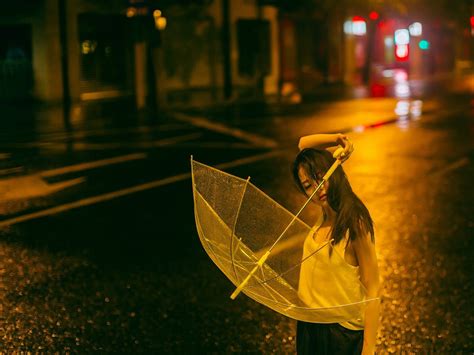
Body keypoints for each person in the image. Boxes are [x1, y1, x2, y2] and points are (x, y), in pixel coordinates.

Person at [293, 133, 381, 355]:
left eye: (320, 177)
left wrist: (368, 349)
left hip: (339, 333)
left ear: (333, 172)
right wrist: (333, 138)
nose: (317, 188)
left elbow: (372, 285)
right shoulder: (325, 214)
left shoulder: (354, 222)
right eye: (307, 185)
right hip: (310, 326)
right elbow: (303, 144)